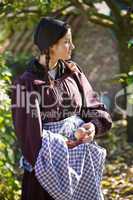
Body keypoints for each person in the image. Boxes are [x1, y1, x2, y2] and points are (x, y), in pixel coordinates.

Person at [11, 17, 112, 200]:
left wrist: (92, 127)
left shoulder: (73, 73)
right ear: (51, 46)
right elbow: (29, 137)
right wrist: (62, 145)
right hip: (48, 171)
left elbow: (94, 107)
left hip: (81, 164)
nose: (72, 46)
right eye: (66, 42)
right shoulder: (26, 84)